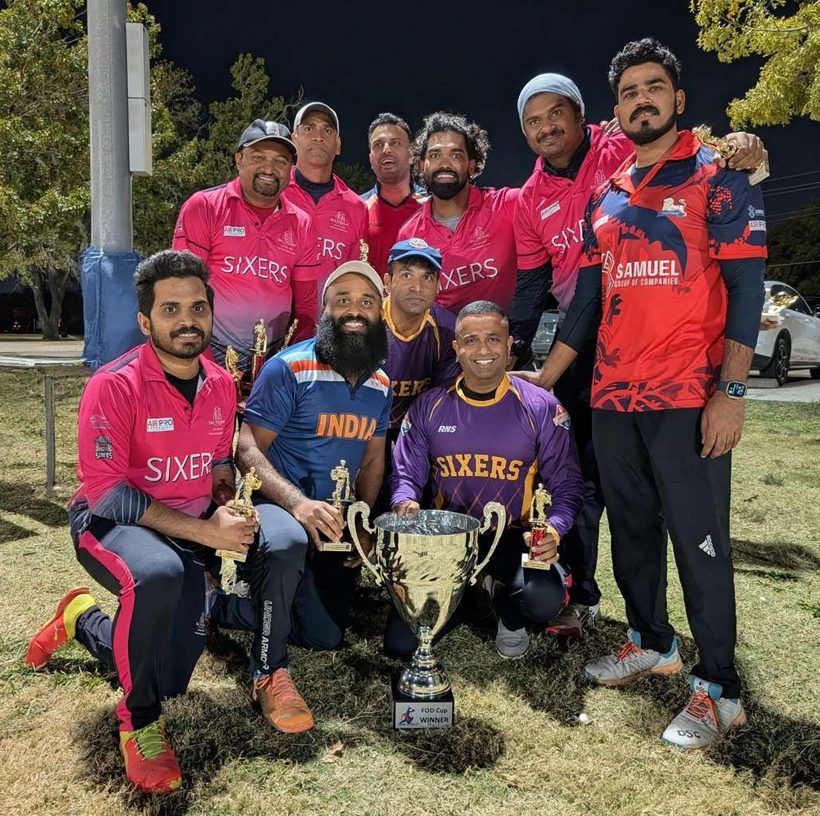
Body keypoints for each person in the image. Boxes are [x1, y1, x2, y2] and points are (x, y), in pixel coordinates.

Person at [536, 38, 766, 749]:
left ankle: (719, 688)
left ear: (678, 99)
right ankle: (652, 642)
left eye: (654, 87)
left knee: (700, 541)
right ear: (617, 109)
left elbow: (746, 289)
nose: (642, 100)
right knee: (632, 529)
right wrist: (543, 381)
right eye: (630, 91)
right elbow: (587, 300)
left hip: (688, 395)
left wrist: (731, 391)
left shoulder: (718, 176)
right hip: (613, 397)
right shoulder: (605, 197)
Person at [25, 250, 257, 793]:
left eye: (198, 308)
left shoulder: (222, 384)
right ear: (146, 321)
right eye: (170, 309)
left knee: (167, 674)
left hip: (186, 528)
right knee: (157, 576)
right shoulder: (114, 384)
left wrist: (225, 499)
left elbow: (217, 461)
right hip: (109, 525)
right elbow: (106, 494)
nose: (186, 321)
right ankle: (139, 723)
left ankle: (81, 619)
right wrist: (207, 532)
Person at [208, 260, 392, 733]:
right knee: (287, 543)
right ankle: (268, 671)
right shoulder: (289, 367)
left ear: (380, 313)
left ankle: (212, 604)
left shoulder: (380, 383)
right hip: (279, 510)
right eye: (342, 300)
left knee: (324, 636)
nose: (355, 310)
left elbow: (373, 460)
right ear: (324, 310)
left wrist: (361, 521)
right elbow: (247, 448)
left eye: (367, 302)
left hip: (331, 524)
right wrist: (297, 504)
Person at [389, 301, 584, 659]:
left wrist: (553, 531)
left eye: (493, 339)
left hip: (514, 536)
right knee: (402, 644)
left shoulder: (542, 407)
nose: (483, 350)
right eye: (471, 340)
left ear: (509, 346)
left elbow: (567, 486)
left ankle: (508, 610)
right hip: (449, 539)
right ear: (456, 348)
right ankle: (473, 594)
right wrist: (405, 502)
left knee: (541, 599)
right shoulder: (429, 406)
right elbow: (405, 475)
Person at [172, 120, 317, 375]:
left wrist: (292, 362)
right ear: (239, 159)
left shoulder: (302, 223)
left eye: (280, 161)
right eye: (259, 157)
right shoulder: (204, 207)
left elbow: (306, 306)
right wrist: (204, 362)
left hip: (274, 356)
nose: (269, 168)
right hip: (210, 350)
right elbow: (182, 288)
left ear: (291, 170)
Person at [397, 112, 519, 315]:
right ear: (420, 166)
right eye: (435, 155)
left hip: (507, 333)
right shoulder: (409, 235)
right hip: (441, 336)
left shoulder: (508, 205)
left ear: (471, 166)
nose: (444, 164)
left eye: (455, 155)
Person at [282, 102, 369, 335]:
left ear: (338, 145)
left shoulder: (356, 207)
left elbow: (354, 278)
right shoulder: (274, 193)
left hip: (330, 335)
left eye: (327, 130)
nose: (318, 136)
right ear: (294, 139)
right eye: (308, 128)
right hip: (272, 333)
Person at [361, 113, 427, 274]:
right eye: (377, 145)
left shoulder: (434, 206)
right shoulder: (358, 209)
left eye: (395, 143)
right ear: (370, 159)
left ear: (411, 154)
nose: (386, 150)